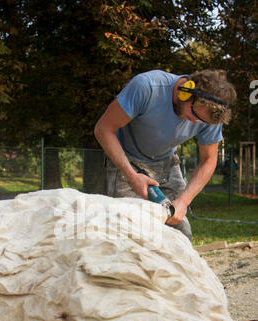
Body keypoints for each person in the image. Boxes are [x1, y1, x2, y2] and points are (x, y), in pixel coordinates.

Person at [94, 69, 236, 240]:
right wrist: (132, 175)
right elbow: (103, 129)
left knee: (181, 233)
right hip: (127, 160)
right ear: (185, 92)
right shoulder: (148, 87)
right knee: (129, 233)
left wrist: (184, 201)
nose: (193, 122)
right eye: (194, 115)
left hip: (166, 162)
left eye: (201, 121)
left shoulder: (208, 115)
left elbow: (209, 160)